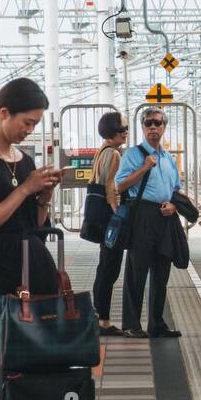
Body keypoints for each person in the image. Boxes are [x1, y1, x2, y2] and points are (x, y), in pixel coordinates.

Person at [0, 79, 62, 398]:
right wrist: (25, 189)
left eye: (34, 124)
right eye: (27, 122)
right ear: (4, 113)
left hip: (29, 277)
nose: (29, 130)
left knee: (23, 375)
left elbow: (32, 225)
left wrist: (44, 196)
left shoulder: (25, 161)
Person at [117, 109, 183, 339]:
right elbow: (120, 186)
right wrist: (144, 167)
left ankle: (157, 324)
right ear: (143, 127)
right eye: (148, 123)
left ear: (164, 127)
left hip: (165, 216)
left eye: (158, 123)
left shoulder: (168, 158)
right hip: (142, 215)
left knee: (161, 272)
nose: (153, 127)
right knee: (137, 271)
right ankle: (131, 324)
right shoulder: (133, 154)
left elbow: (176, 188)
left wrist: (174, 205)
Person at [91, 112, 129, 337]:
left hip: (99, 218)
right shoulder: (114, 154)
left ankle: (99, 317)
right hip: (109, 220)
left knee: (104, 267)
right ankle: (103, 321)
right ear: (112, 131)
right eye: (122, 128)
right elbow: (110, 188)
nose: (126, 132)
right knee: (110, 268)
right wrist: (118, 216)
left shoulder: (101, 151)